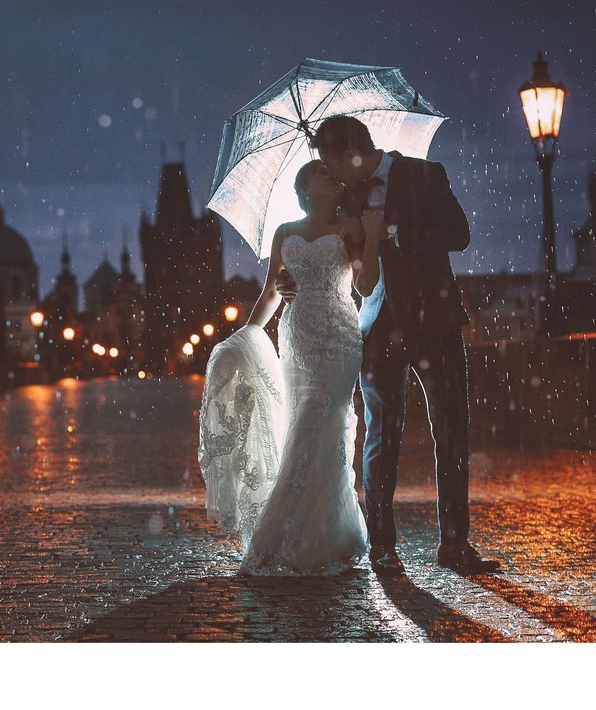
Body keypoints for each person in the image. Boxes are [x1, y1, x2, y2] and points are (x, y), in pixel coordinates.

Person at [281, 115, 499, 575]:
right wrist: (291, 277)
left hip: (435, 323)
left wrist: (395, 233)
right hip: (377, 326)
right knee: (382, 435)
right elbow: (324, 243)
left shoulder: (425, 174)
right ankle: (383, 547)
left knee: (451, 432)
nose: (332, 176)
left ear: (352, 154)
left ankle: (454, 546)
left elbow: (459, 234)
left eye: (331, 164)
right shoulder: (346, 196)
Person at [199, 160, 385, 575]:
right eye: (322, 173)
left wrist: (371, 238)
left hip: (338, 335)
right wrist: (245, 337)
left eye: (332, 173)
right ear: (304, 188)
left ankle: (297, 534)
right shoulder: (285, 232)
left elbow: (366, 286)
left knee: (323, 423)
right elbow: (269, 294)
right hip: (296, 337)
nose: (331, 176)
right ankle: (315, 532)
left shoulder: (351, 226)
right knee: (301, 422)